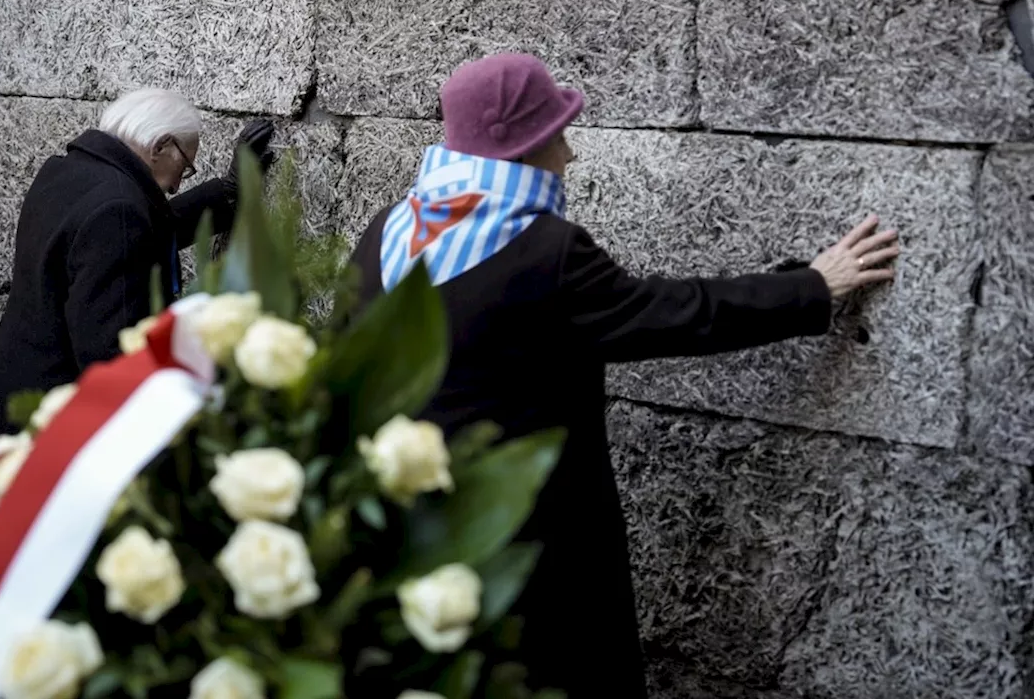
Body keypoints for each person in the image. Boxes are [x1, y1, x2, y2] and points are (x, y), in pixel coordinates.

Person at [347, 54, 899, 697]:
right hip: (530, 550)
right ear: (527, 148)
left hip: (408, 539)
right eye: (558, 134)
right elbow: (669, 315)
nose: (570, 154)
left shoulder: (386, 232)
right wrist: (810, 287)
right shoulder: (545, 252)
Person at [0, 89, 275, 441]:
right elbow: (110, 352)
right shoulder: (118, 211)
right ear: (160, 146)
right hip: (56, 424)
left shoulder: (68, 174)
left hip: (17, 394)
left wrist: (227, 192)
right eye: (185, 166)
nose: (178, 183)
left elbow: (140, 231)